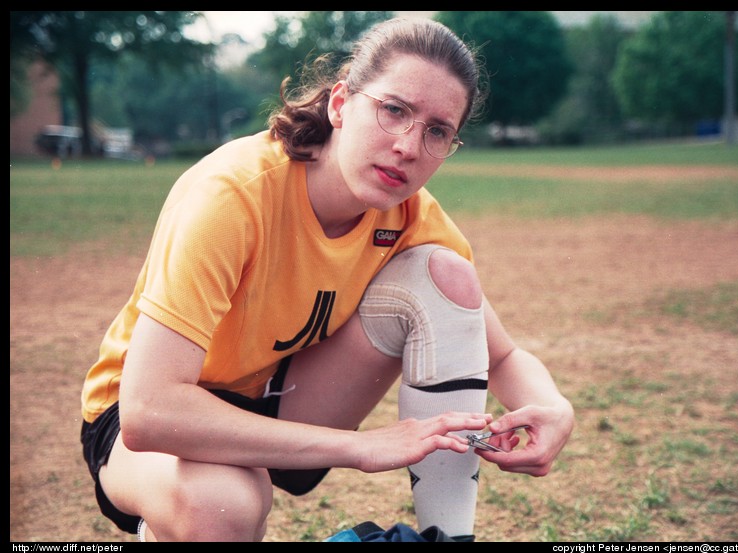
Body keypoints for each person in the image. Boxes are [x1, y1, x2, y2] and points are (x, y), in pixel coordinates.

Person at [79, 16, 574, 542]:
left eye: (437, 131)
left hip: (275, 395)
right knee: (223, 504)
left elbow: (501, 356)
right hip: (144, 422)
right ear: (340, 104)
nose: (409, 145)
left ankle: (448, 537)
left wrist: (553, 407)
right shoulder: (233, 194)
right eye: (394, 110)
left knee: (445, 274)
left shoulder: (408, 215)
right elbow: (149, 409)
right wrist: (361, 448)